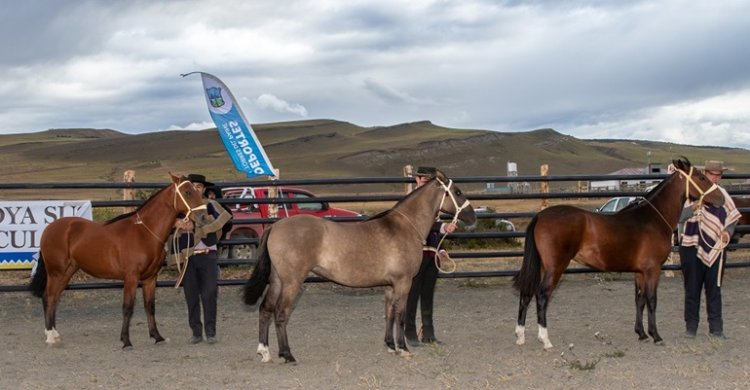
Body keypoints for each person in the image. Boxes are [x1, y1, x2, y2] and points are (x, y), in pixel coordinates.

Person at [679, 160, 741, 339]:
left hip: (716, 247)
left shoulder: (723, 196)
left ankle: (716, 328)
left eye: (718, 175)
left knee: (714, 288)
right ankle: (691, 327)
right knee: (692, 288)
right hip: (691, 245)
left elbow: (732, 217)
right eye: (712, 174)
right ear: (705, 174)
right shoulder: (691, 193)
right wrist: (693, 208)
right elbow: (678, 216)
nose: (715, 178)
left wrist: (727, 233)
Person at [173, 174, 232, 345]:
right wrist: (177, 223)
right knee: (191, 295)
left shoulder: (211, 206)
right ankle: (196, 332)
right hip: (188, 257)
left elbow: (225, 220)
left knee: (209, 293)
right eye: (193, 186)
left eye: (199, 186)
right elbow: (169, 224)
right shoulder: (182, 208)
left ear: (204, 189)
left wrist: (199, 227)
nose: (196, 189)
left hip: (208, 255)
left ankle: (210, 331)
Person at [405, 166, 457, 346]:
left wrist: (441, 249)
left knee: (427, 293)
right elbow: (422, 224)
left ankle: (428, 333)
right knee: (412, 293)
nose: (427, 184)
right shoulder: (410, 202)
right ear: (417, 180)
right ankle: (410, 332)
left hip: (431, 253)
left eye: (430, 181)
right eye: (424, 180)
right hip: (415, 254)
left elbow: (433, 228)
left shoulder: (433, 202)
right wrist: (442, 227)